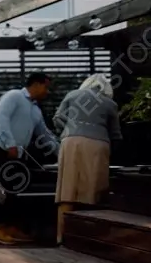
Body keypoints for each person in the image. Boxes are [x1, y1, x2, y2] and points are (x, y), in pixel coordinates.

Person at [0, 72, 59, 242]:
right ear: (36, 84)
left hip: (16, 155)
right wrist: (10, 143)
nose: (47, 92)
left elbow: (45, 135)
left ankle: (9, 228)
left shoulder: (35, 110)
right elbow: (2, 118)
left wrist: (62, 154)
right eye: (46, 87)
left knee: (14, 192)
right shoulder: (14, 96)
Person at [52, 73, 122, 242]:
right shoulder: (110, 104)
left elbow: (58, 118)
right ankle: (89, 239)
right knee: (94, 189)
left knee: (67, 191)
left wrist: (69, 129)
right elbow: (116, 134)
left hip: (70, 142)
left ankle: (61, 237)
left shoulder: (73, 94)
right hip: (98, 145)